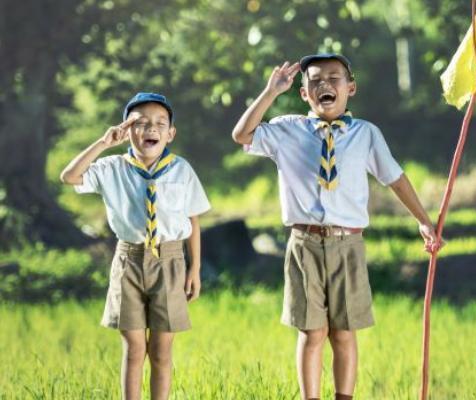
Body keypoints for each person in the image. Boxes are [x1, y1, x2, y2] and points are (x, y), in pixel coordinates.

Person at [232, 54, 442, 400]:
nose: (324, 85)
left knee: (343, 333)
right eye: (314, 80)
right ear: (304, 94)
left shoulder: (366, 134)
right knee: (312, 332)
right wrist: (271, 92)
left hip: (348, 244)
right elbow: (242, 135)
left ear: (350, 88)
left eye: (334, 78)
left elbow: (395, 178)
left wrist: (423, 221)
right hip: (305, 243)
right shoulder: (287, 129)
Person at [60, 92, 210, 400]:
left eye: (159, 123)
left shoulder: (181, 169)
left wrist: (194, 269)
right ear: (128, 131)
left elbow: (193, 220)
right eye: (140, 123)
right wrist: (104, 142)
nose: (150, 129)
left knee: (161, 350)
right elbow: (70, 176)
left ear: (171, 133)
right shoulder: (112, 167)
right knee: (134, 347)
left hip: (170, 260)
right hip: (128, 259)